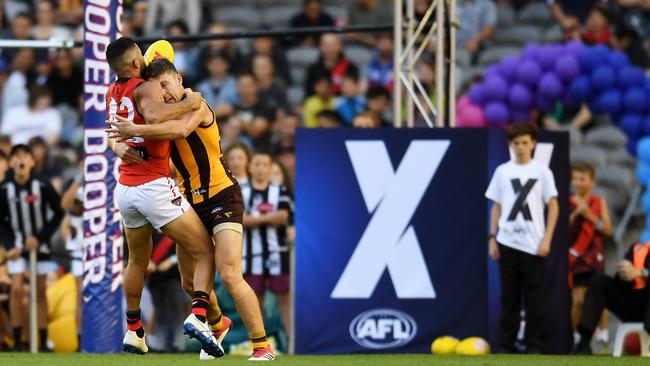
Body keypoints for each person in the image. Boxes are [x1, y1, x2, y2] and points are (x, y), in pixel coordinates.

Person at [108, 58, 275, 361]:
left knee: (229, 273)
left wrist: (136, 127)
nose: (165, 94)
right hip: (189, 200)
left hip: (222, 195)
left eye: (167, 85)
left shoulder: (197, 105)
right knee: (189, 281)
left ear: (179, 78)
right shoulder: (157, 114)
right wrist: (119, 144)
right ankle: (217, 323)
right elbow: (121, 130)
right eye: (158, 90)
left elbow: (181, 130)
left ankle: (262, 345)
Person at [104, 37, 222, 357]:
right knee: (204, 252)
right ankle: (200, 316)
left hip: (125, 189)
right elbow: (156, 117)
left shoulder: (112, 93)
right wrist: (194, 100)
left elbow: (115, 132)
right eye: (139, 58)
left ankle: (134, 330)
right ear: (133, 65)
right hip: (154, 185)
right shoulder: (145, 87)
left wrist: (117, 146)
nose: (143, 61)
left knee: (136, 261)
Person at [485, 122, 559, 354]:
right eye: (516, 143)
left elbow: (553, 206)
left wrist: (547, 239)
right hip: (507, 242)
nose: (521, 147)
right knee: (509, 298)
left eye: (525, 143)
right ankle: (507, 344)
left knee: (535, 299)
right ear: (510, 145)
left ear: (534, 144)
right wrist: (492, 237)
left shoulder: (542, 171)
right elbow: (496, 206)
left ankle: (536, 344)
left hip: (534, 244)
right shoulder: (502, 171)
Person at [0, 144, 64, 352]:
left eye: (25, 156)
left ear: (32, 162)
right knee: (17, 288)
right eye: (16, 157)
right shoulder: (5, 190)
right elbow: (2, 222)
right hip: (17, 245)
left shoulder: (42, 185)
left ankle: (43, 341)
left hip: (40, 244)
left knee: (40, 290)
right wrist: (9, 245)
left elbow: (59, 212)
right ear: (11, 163)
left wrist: (40, 237)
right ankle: (18, 342)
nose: (21, 160)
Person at [242, 152, 293, 340]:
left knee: (284, 299)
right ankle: (259, 344)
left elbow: (284, 217)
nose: (261, 168)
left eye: (265, 164)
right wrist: (270, 218)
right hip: (250, 255)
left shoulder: (281, 190)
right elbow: (242, 220)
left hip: (277, 254)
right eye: (257, 164)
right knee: (254, 301)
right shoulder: (242, 190)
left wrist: (254, 219)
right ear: (250, 167)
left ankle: (292, 343)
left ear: (270, 168)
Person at [573, 240, 650, 355]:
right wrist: (624, 272)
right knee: (598, 280)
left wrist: (640, 273)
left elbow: (639, 273)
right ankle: (583, 343)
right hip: (633, 304)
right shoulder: (638, 248)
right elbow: (620, 281)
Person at [569, 162, 612, 343]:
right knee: (578, 300)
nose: (578, 183)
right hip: (575, 256)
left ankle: (603, 333)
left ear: (592, 182)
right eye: (575, 179)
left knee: (599, 295)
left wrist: (589, 215)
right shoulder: (566, 202)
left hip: (595, 256)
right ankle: (578, 337)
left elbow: (608, 230)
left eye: (582, 179)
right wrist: (574, 215)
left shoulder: (599, 201)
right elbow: (562, 230)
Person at [60, 174, 84, 349]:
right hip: (78, 252)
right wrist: (79, 178)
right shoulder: (76, 187)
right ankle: (80, 338)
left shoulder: (104, 186)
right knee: (81, 297)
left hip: (99, 251)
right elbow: (63, 205)